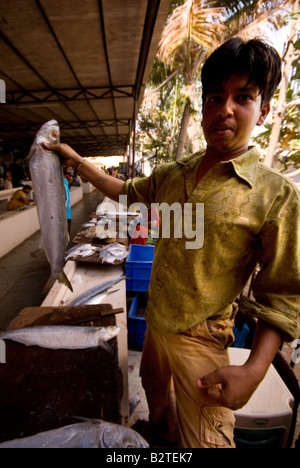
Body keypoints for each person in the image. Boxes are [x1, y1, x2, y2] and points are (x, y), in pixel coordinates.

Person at [44, 38, 300, 448]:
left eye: (243, 97)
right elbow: (125, 189)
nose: (226, 109)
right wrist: (76, 162)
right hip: (157, 321)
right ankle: (161, 436)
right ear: (203, 108)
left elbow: (282, 296)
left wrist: (253, 371)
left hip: (202, 335)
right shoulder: (174, 173)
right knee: (156, 398)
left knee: (208, 438)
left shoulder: (274, 195)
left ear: (264, 109)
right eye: (215, 97)